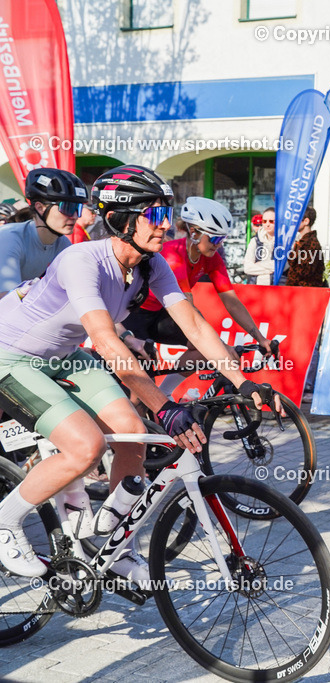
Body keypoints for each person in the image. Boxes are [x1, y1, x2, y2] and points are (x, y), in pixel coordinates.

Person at [0, 165, 277, 583]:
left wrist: (244, 382)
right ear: (121, 219)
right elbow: (106, 342)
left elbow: (196, 326)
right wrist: (164, 406)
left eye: (167, 216)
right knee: (86, 447)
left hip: (64, 354)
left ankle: (114, 544)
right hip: (12, 355)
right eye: (156, 216)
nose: (166, 227)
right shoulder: (81, 260)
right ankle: (6, 522)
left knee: (132, 435)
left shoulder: (152, 265)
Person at [122, 196, 274, 398]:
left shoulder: (212, 258)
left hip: (161, 314)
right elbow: (189, 310)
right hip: (135, 314)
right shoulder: (172, 255)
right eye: (214, 239)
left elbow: (232, 302)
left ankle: (165, 394)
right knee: (140, 394)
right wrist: (220, 347)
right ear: (194, 232)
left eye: (222, 239)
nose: (218, 245)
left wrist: (260, 338)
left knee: (202, 349)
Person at [0, 168, 87, 298]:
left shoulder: (63, 244)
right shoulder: (8, 237)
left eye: (78, 208)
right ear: (40, 208)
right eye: (67, 207)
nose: (75, 216)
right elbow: (6, 299)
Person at [284, 206, 326, 287]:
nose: (293, 223)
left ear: (306, 221)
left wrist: (290, 255)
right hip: (298, 291)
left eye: (296, 220)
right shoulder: (302, 241)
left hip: (304, 291)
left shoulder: (311, 243)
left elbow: (305, 271)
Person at [243, 207, 275, 285]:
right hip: (256, 287)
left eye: (271, 221)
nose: (267, 224)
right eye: (264, 221)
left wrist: (259, 265)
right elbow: (247, 268)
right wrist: (270, 268)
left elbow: (283, 266)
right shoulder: (255, 241)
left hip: (278, 288)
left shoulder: (285, 242)